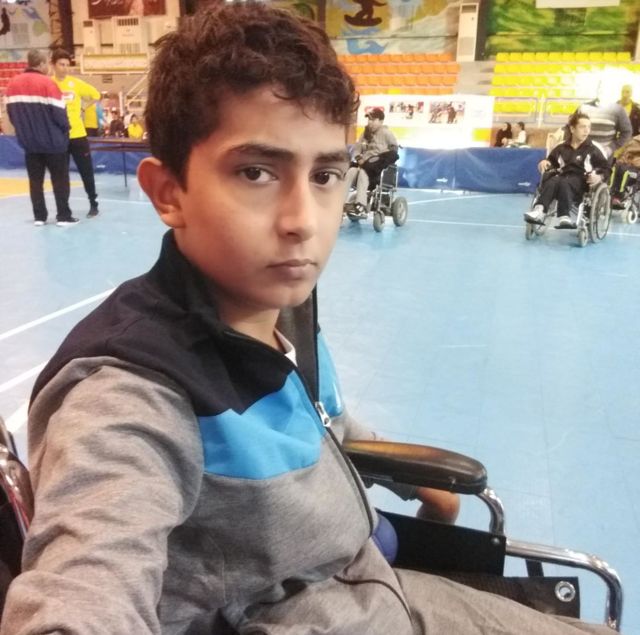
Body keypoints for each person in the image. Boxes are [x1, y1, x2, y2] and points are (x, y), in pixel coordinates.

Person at [0, 6, 619, 635]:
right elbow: (87, 579)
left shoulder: (283, 307)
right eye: (256, 173)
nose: (303, 220)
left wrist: (414, 480)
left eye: (325, 175)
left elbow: (318, 416)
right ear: (168, 193)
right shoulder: (131, 395)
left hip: (375, 584)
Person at [5, 49, 77, 226]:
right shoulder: (48, 84)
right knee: (60, 180)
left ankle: (39, 217)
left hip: (29, 144)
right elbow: (60, 114)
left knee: (35, 181)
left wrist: (23, 131)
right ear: (42, 64)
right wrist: (66, 129)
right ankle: (63, 216)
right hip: (53, 143)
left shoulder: (12, 84)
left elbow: (11, 114)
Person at [525, 112, 609, 228]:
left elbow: (606, 168)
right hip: (562, 176)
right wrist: (544, 162)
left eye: (588, 127)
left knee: (564, 182)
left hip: (582, 181)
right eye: (582, 127)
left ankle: (564, 216)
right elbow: (552, 161)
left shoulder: (593, 149)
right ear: (572, 129)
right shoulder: (561, 147)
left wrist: (599, 177)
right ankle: (539, 210)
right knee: (552, 181)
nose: (586, 130)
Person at [51, 48, 101, 218]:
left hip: (78, 136)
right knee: (61, 175)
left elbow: (96, 95)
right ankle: (64, 209)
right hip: (59, 137)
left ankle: (93, 204)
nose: (65, 68)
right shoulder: (48, 84)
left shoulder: (76, 84)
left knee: (86, 171)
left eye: (67, 65)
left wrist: (83, 107)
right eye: (61, 64)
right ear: (53, 65)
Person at [344, 107, 398, 218]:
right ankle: (340, 202)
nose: (370, 122)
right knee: (351, 171)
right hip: (363, 164)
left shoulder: (386, 133)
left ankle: (361, 205)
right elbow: (357, 149)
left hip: (376, 169)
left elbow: (393, 150)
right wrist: (359, 158)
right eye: (369, 119)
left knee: (363, 172)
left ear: (381, 121)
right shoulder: (365, 134)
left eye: (373, 120)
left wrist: (381, 160)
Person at [576, 95, 631, 159]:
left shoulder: (618, 110)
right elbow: (571, 127)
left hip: (605, 156)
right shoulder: (583, 108)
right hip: (583, 155)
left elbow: (627, 132)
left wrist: (611, 148)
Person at [610, 133, 640, 208]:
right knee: (614, 168)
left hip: (636, 168)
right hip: (625, 163)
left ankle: (619, 196)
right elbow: (622, 152)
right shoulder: (633, 140)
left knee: (625, 172)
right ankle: (609, 192)